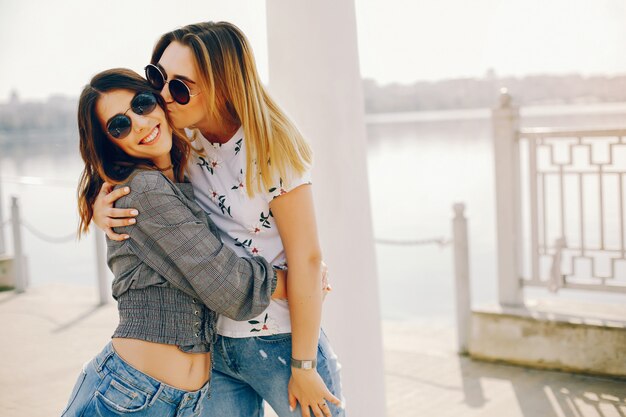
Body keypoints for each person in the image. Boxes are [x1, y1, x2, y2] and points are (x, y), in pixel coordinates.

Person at [93, 21, 344, 417]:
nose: (160, 97)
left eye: (179, 87)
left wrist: (305, 365)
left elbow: (309, 261)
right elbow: (116, 156)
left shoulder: (272, 148)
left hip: (279, 341)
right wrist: (99, 207)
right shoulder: (181, 140)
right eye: (157, 79)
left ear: (222, 85)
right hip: (212, 346)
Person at [62, 68, 287, 417]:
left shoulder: (178, 182)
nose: (138, 123)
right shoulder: (143, 189)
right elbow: (228, 288)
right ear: (111, 143)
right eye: (119, 125)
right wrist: (293, 281)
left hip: (181, 402)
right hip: (128, 398)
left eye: (141, 103)